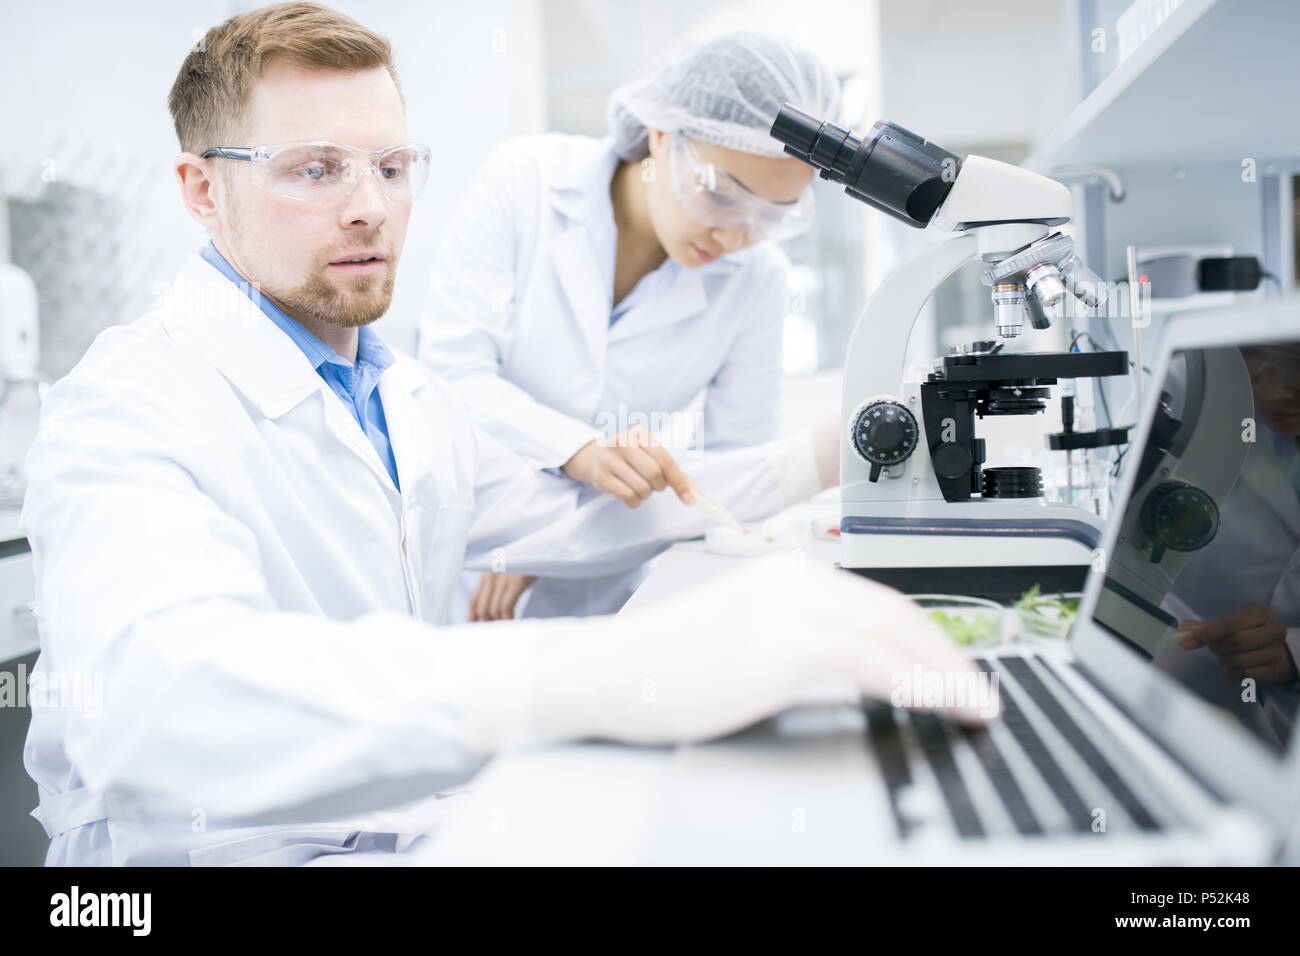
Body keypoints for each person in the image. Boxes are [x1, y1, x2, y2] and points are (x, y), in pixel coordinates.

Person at [20, 3, 979, 867]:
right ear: (200, 190)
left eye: (391, 167)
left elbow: (583, 522)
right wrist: (601, 671)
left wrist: (813, 459)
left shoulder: (405, 402)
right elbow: (151, 710)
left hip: (406, 818)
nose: (370, 205)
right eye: (314, 169)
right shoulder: (129, 402)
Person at [419, 32, 841, 621]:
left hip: (614, 582)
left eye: (770, 216)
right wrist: (578, 453)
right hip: (476, 566)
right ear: (663, 136)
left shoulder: (756, 277)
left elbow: (730, 474)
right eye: (722, 196)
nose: (734, 237)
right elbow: (451, 379)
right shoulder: (526, 182)